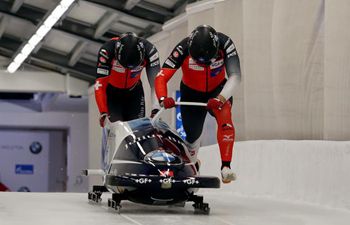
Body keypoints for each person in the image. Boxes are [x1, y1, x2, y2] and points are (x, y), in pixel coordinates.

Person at [155, 25, 241, 183]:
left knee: (225, 119)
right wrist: (162, 98)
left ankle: (226, 167)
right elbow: (161, 76)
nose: (205, 64)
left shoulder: (226, 43)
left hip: (218, 90)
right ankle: (193, 162)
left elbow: (235, 76)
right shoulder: (182, 47)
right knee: (193, 134)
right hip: (191, 92)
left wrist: (221, 98)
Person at [94, 32, 160, 126]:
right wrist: (103, 112)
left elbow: (156, 83)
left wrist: (156, 109)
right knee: (116, 131)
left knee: (138, 130)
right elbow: (100, 85)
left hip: (134, 93)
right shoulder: (107, 51)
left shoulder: (150, 51)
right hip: (112, 95)